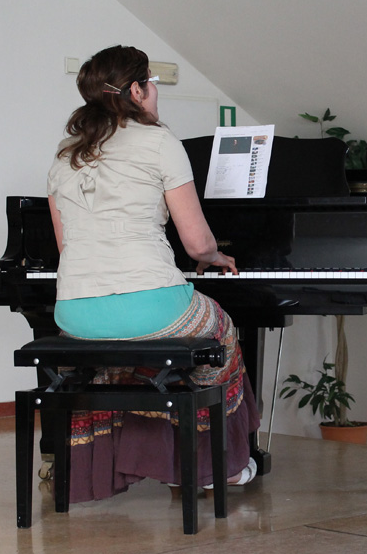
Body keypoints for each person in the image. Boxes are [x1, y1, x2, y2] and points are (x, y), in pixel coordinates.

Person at [47, 45, 260, 502]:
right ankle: (212, 466)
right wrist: (216, 257)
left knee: (126, 355)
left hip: (75, 314)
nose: (155, 92)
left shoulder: (65, 155)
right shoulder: (160, 142)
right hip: (152, 306)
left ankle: (130, 462)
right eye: (152, 83)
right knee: (221, 331)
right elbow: (197, 245)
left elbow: (67, 249)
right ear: (137, 90)